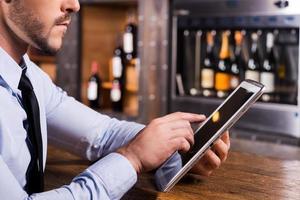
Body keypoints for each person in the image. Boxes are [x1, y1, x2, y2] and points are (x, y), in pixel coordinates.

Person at [0, 0, 230, 199]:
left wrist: (176, 148)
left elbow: (101, 134)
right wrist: (132, 159)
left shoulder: (28, 76)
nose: (74, 5)